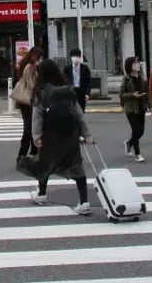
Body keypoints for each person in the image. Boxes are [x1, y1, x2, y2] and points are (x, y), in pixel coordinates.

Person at [28, 59, 94, 215]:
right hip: (70, 135)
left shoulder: (41, 92)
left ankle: (42, 194)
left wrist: (37, 137)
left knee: (45, 165)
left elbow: (37, 117)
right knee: (77, 167)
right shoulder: (68, 91)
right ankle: (84, 201)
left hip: (51, 136)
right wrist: (87, 134)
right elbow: (79, 115)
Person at [12, 47, 42, 159]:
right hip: (29, 101)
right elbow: (31, 86)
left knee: (31, 126)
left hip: (25, 101)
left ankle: (33, 151)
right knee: (29, 128)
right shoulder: (30, 67)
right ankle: (22, 155)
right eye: (39, 58)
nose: (40, 60)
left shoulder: (24, 64)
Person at [119, 56, 149, 162]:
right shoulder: (126, 79)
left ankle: (129, 142)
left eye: (138, 62)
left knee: (140, 132)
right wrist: (132, 95)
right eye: (135, 63)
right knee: (136, 130)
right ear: (130, 66)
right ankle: (138, 154)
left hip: (141, 107)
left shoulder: (142, 77)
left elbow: (147, 92)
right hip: (131, 108)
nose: (137, 64)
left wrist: (149, 105)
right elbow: (121, 94)